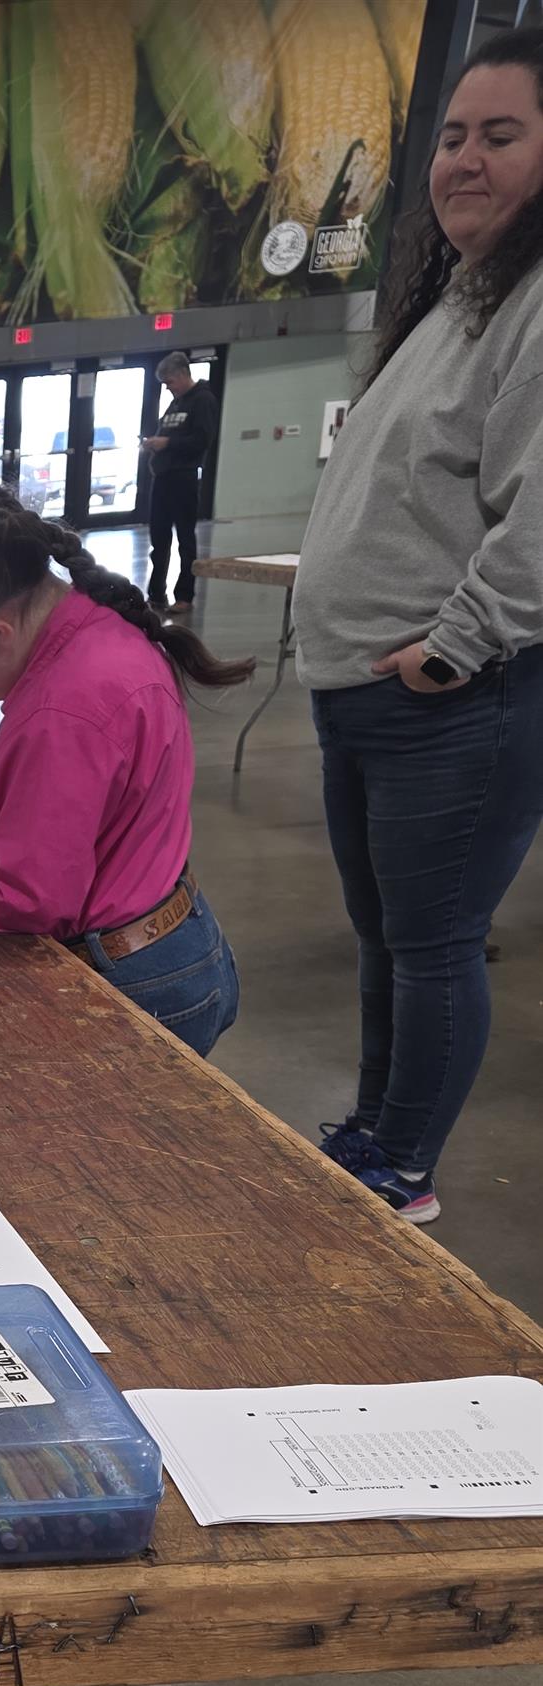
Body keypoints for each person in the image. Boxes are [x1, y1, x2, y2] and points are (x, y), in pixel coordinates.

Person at [292, 26, 543, 1224]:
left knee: (434, 941)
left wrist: (453, 647)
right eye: (451, 137)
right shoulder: (460, 299)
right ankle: (376, 1131)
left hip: (449, 702)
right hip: (366, 694)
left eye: (501, 135)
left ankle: (404, 1165)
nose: (464, 160)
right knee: (385, 934)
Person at [0, 487, 254, 1058]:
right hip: (177, 938)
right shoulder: (99, 635)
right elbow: (56, 819)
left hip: (133, 983)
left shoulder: (63, 712)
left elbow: (31, 895)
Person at [142, 352, 218, 613]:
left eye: (170, 382)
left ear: (184, 374)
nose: (168, 387)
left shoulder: (203, 401)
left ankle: (184, 595)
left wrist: (168, 443)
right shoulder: (175, 404)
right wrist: (154, 444)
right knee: (159, 538)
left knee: (185, 537)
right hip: (163, 477)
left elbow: (202, 440)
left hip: (183, 477)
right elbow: (168, 434)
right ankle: (156, 594)